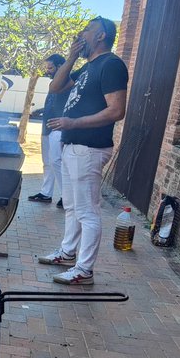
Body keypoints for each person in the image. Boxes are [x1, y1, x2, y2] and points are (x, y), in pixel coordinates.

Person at [38, 17, 129, 285]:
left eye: (86, 31)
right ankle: (67, 253)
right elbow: (56, 87)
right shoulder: (87, 67)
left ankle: (84, 270)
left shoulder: (111, 65)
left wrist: (73, 122)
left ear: (100, 35)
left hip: (89, 148)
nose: (80, 35)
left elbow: (117, 110)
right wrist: (71, 56)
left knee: (88, 211)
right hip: (73, 145)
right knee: (72, 206)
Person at [28, 54, 68, 207]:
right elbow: (54, 103)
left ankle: (66, 197)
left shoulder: (68, 81)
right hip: (46, 127)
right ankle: (46, 193)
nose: (47, 71)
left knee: (56, 161)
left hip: (58, 128)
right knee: (47, 162)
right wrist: (41, 110)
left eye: (50, 68)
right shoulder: (54, 82)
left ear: (60, 66)